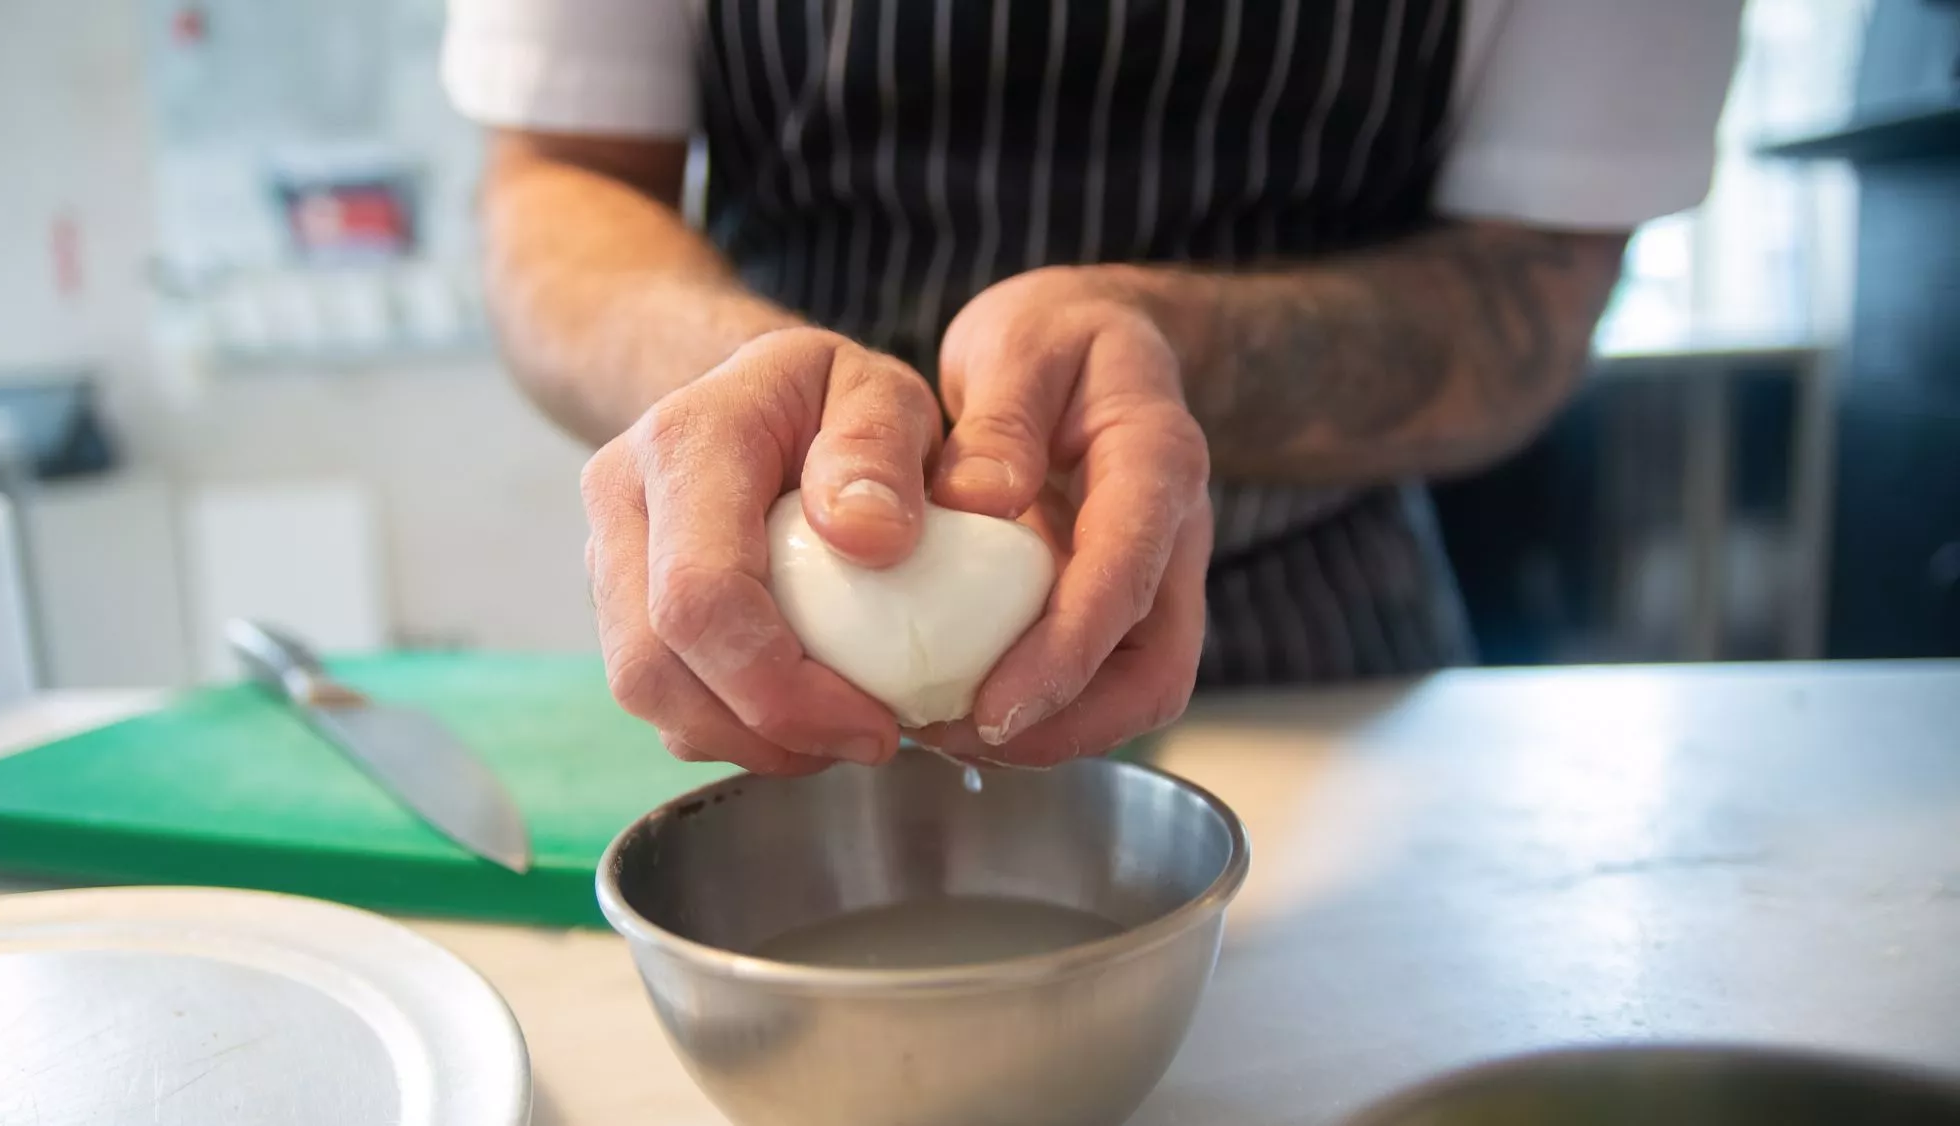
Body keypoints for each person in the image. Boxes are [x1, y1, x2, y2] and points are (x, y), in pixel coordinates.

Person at [442, 0, 1744, 774]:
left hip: (1321, 655)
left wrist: (1178, 346)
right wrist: (729, 385)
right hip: (784, 651)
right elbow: (562, 185)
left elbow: (1540, 284)